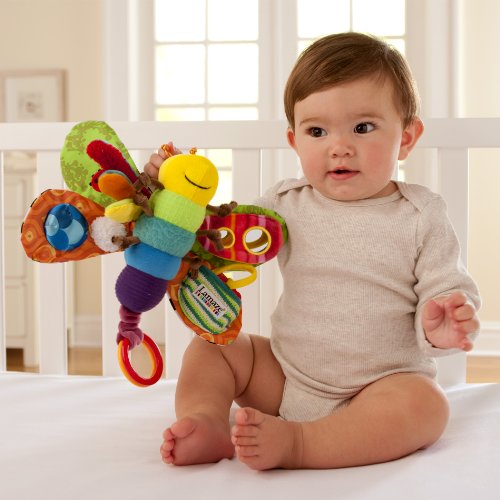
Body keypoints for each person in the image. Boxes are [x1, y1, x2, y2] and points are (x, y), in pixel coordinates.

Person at [144, 32, 480, 471]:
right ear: (295, 141)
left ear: (407, 137)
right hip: (285, 377)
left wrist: (442, 324)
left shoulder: (420, 214)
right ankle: (206, 421)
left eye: (363, 128)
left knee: (425, 404)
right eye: (317, 131)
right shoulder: (285, 204)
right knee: (214, 347)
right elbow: (218, 239)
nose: (339, 147)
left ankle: (300, 443)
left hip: (379, 387)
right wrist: (170, 198)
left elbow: (445, 285)